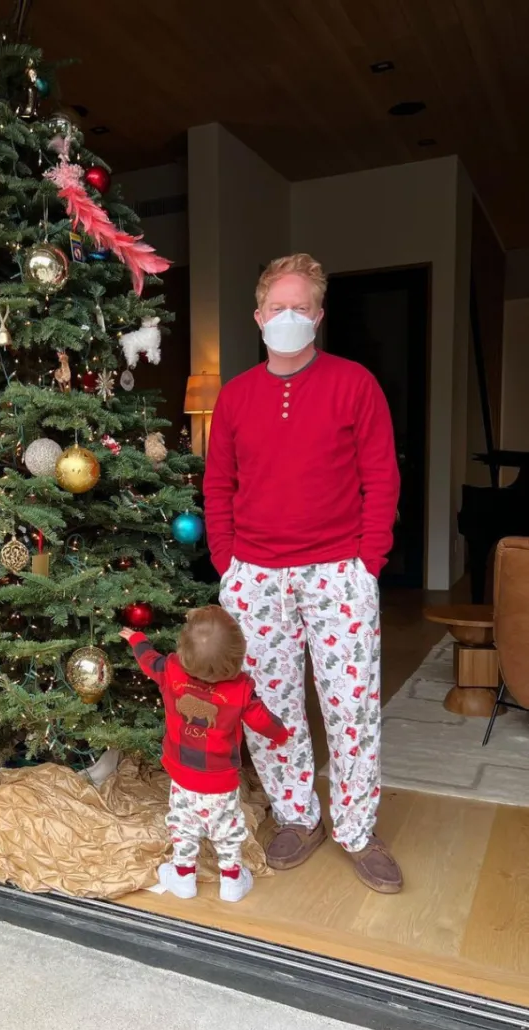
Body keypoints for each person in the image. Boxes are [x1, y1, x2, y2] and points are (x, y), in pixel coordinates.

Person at [203, 252, 401, 894]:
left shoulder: (355, 384)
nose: (288, 318)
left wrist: (367, 564)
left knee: (351, 708)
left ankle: (357, 829)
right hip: (255, 575)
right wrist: (227, 562)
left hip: (338, 572)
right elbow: (218, 485)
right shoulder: (234, 397)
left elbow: (382, 477)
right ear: (258, 316)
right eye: (277, 308)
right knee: (271, 704)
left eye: (301, 308)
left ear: (318, 315)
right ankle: (296, 816)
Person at [121, 607, 288, 903]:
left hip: (182, 773)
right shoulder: (240, 690)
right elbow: (262, 720)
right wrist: (282, 734)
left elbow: (149, 661)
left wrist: (138, 640)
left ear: (182, 651)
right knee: (226, 829)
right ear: (238, 657)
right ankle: (232, 882)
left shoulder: (170, 671)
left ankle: (184, 877)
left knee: (183, 825)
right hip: (221, 780)